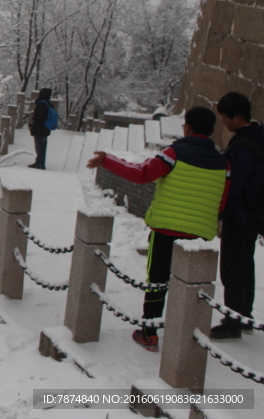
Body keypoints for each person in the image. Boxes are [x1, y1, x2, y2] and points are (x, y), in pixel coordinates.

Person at [87, 106, 229, 352]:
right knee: (192, 286)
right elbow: (222, 202)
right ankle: (186, 334)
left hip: (167, 230)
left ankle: (149, 333)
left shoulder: (174, 153)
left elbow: (142, 174)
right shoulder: (223, 163)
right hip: (197, 237)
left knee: (158, 282)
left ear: (186, 127)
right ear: (213, 131)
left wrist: (108, 160)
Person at [210, 92, 264, 340]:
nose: (223, 121)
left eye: (225, 117)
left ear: (238, 117)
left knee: (232, 269)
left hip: (240, 214)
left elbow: (237, 183)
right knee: (246, 265)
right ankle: (244, 316)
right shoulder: (259, 136)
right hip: (255, 215)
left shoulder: (242, 146)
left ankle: (232, 321)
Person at [28, 88, 53, 169]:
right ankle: (40, 161)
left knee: (39, 146)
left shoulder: (41, 104)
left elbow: (38, 118)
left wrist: (33, 127)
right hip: (46, 128)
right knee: (43, 146)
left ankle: (40, 163)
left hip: (39, 129)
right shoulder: (49, 104)